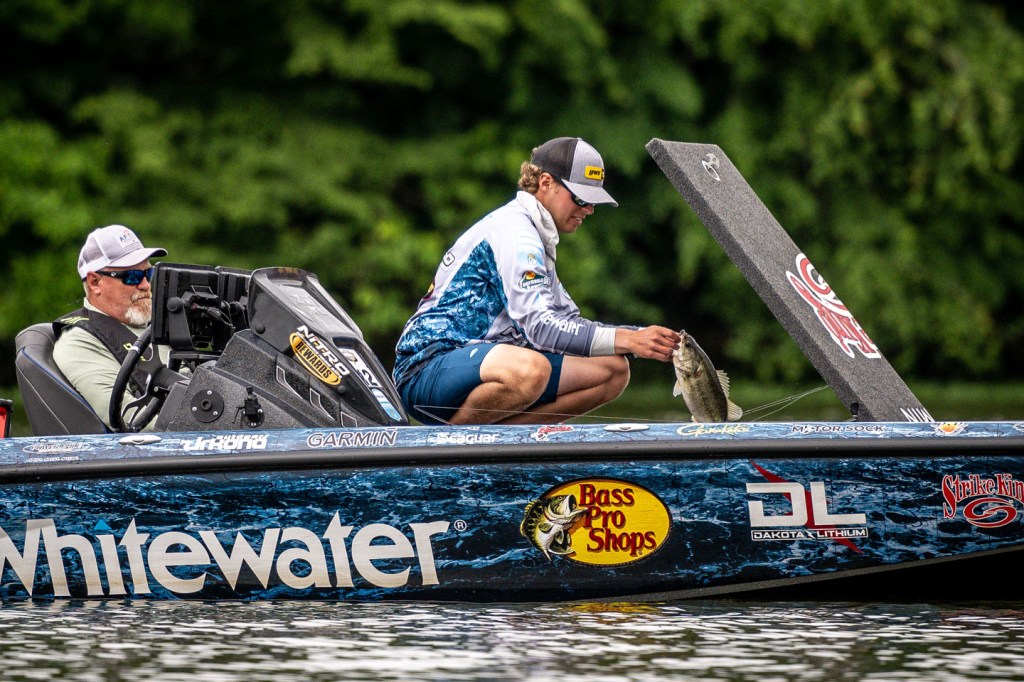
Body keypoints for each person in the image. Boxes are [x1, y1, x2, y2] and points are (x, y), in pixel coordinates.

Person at [393, 137, 681, 425]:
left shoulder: (537, 237)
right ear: (545, 183)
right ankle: (453, 446)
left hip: (488, 363)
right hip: (425, 368)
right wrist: (630, 340)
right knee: (532, 370)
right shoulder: (517, 233)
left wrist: (642, 338)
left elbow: (567, 323)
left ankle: (507, 441)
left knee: (613, 370)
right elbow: (541, 328)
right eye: (581, 198)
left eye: (593, 202)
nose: (589, 209)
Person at [53, 224, 170, 430]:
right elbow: (130, 419)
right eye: (132, 276)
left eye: (149, 274)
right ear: (95, 282)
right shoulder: (78, 342)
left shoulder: (161, 326)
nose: (145, 285)